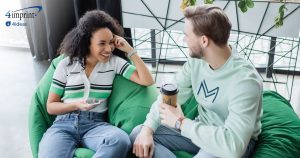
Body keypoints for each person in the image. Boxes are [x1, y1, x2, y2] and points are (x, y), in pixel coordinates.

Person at [130, 4, 263, 158]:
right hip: (198, 128)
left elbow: (233, 146)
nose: (183, 39)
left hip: (226, 140)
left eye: (187, 35)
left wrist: (181, 123)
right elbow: (167, 97)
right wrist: (147, 129)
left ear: (204, 41)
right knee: (138, 134)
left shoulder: (245, 81)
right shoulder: (196, 62)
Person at [38, 10, 154, 158]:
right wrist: (76, 105)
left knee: (120, 140)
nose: (108, 49)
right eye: (102, 43)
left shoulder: (114, 63)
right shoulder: (66, 64)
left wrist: (130, 50)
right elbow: (51, 106)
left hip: (96, 125)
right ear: (87, 42)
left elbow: (147, 80)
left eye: (111, 42)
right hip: (63, 124)